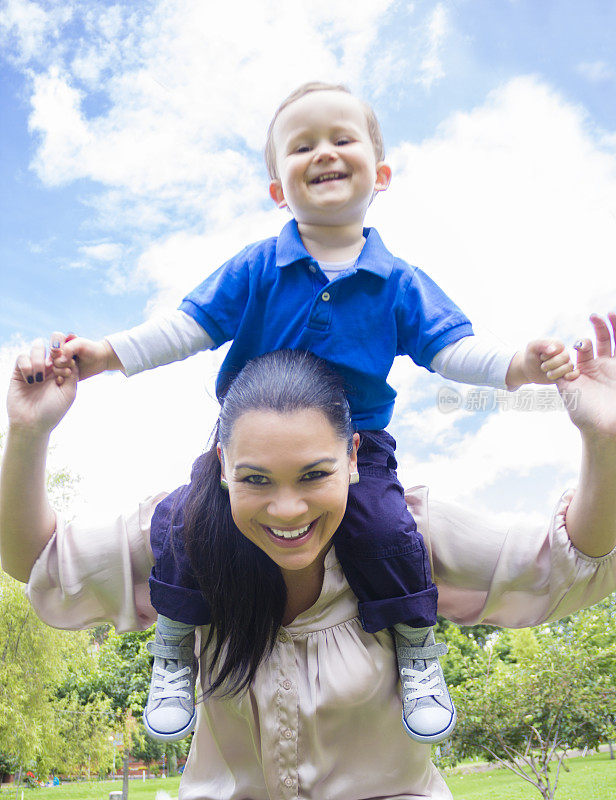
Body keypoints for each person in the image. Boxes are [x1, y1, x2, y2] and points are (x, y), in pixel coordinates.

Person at [44, 81, 577, 744]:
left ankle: (416, 650)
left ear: (380, 175)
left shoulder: (399, 282)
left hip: (355, 451)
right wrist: (106, 354)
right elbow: (187, 325)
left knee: (387, 531)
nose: (323, 152)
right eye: (302, 145)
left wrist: (517, 367)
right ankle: (175, 646)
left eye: (341, 138)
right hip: (249, 453)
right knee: (182, 518)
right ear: (278, 188)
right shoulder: (259, 266)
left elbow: (452, 348)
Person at [1, 318, 616, 799]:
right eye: (257, 479)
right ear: (222, 465)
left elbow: (567, 568)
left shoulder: (407, 536)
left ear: (353, 455)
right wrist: (29, 435)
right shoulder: (184, 536)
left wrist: (605, 438)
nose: (288, 510)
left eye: (314, 474)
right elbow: (41, 562)